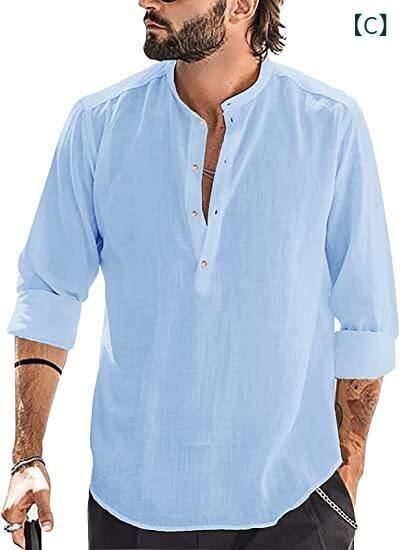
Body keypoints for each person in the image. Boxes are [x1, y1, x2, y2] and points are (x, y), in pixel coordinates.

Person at [2, 1, 398, 549]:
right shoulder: (100, 125)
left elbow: (366, 321)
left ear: (241, 5)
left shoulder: (328, 124)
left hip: (294, 504)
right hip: (133, 507)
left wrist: (346, 482)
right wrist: (28, 455)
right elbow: (49, 294)